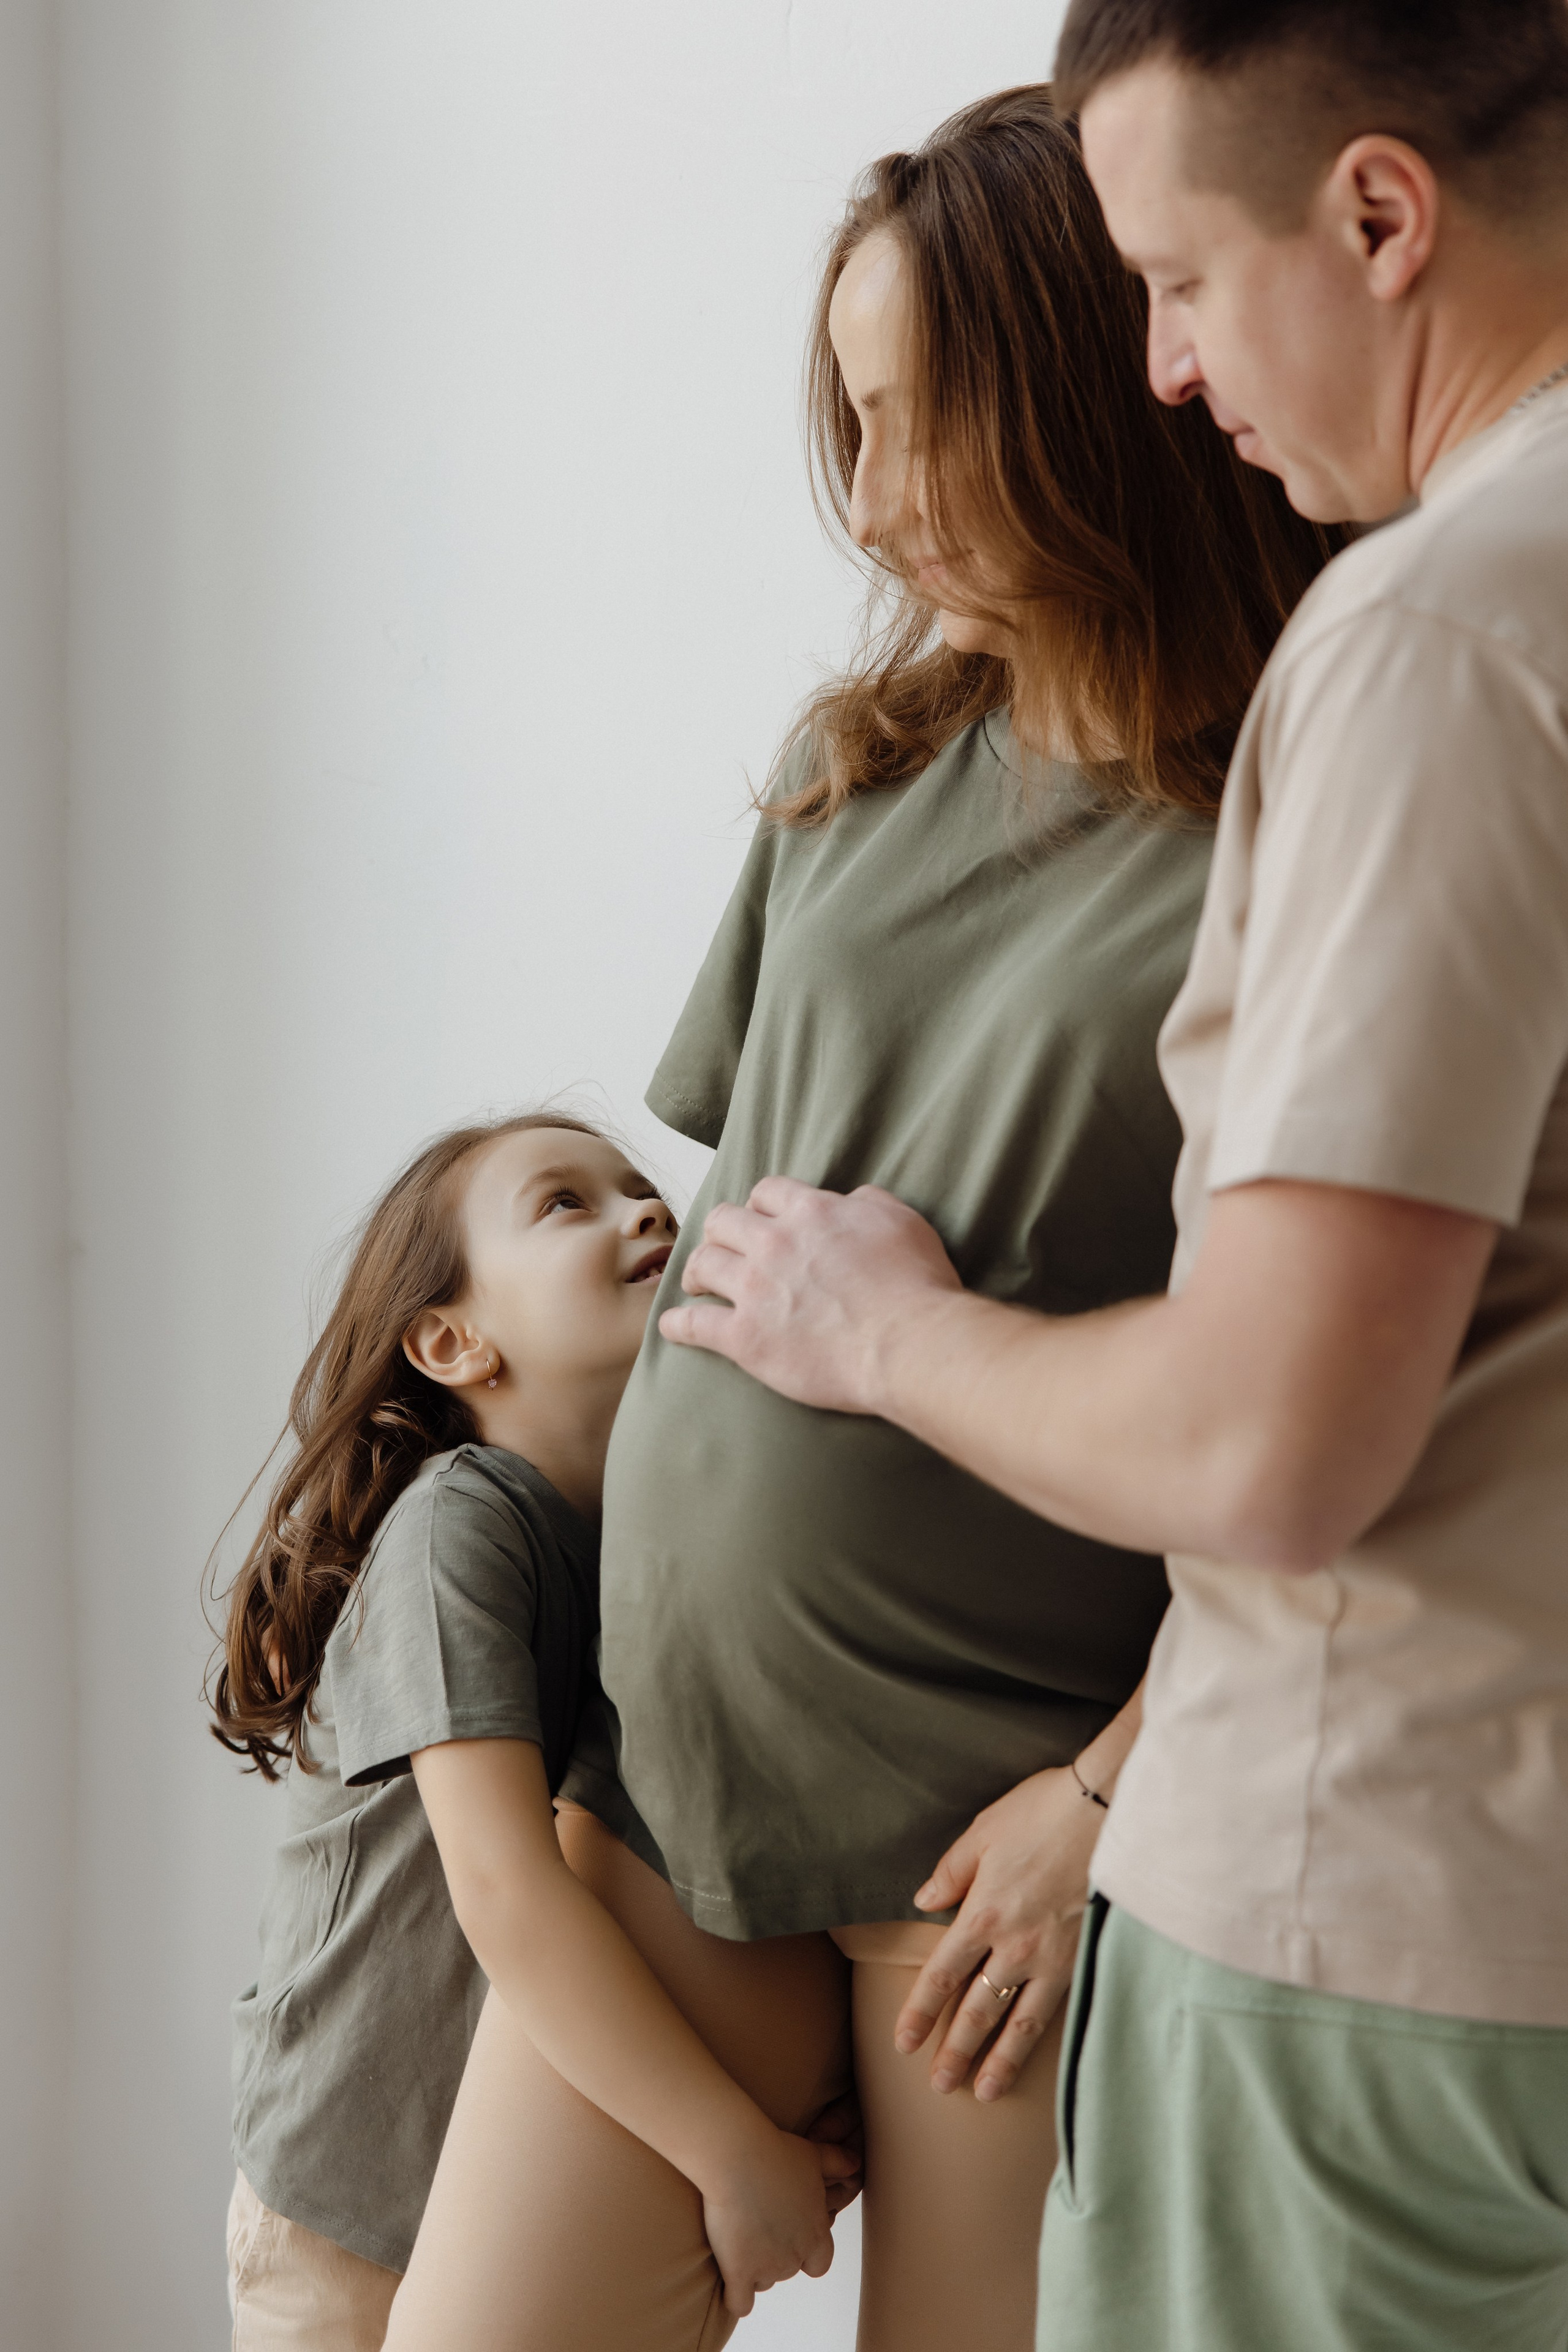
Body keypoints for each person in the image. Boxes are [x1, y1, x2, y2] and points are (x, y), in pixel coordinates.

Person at [658, 7, 1568, 2348]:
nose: (1171, 365)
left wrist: (890, 1343)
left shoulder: (1430, 647)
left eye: (1173, 276)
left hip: (1289, 1896)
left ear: (1379, 217)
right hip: (694, 1800)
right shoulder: (862, 778)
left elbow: (1277, 1433)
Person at [394, 88, 1333, 2352]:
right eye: (856, 424)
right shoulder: (861, 769)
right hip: (674, 1797)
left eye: (927, 422)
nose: (880, 498)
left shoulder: (1301, 819)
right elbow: (718, 1259)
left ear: (1099, 387)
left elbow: (1342, 1415)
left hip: (983, 1877)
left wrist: (1100, 1802)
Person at [213, 1112, 857, 2351]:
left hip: (484, 2193)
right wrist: (725, 2151)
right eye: (567, 1204)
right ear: (453, 1341)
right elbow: (505, 1891)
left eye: (643, 1191)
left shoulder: (632, 1540)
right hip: (341, 2217)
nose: (647, 1214)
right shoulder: (458, 1528)